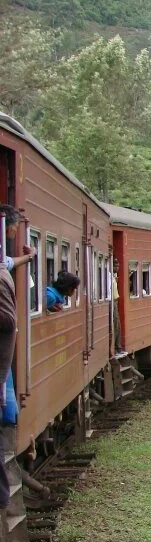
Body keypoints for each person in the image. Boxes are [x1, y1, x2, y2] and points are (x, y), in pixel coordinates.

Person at [0, 205, 36, 509]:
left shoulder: (3, 261)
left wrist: (29, 257)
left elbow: (10, 261)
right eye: (12, 230)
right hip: (4, 370)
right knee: (7, 409)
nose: (12, 235)